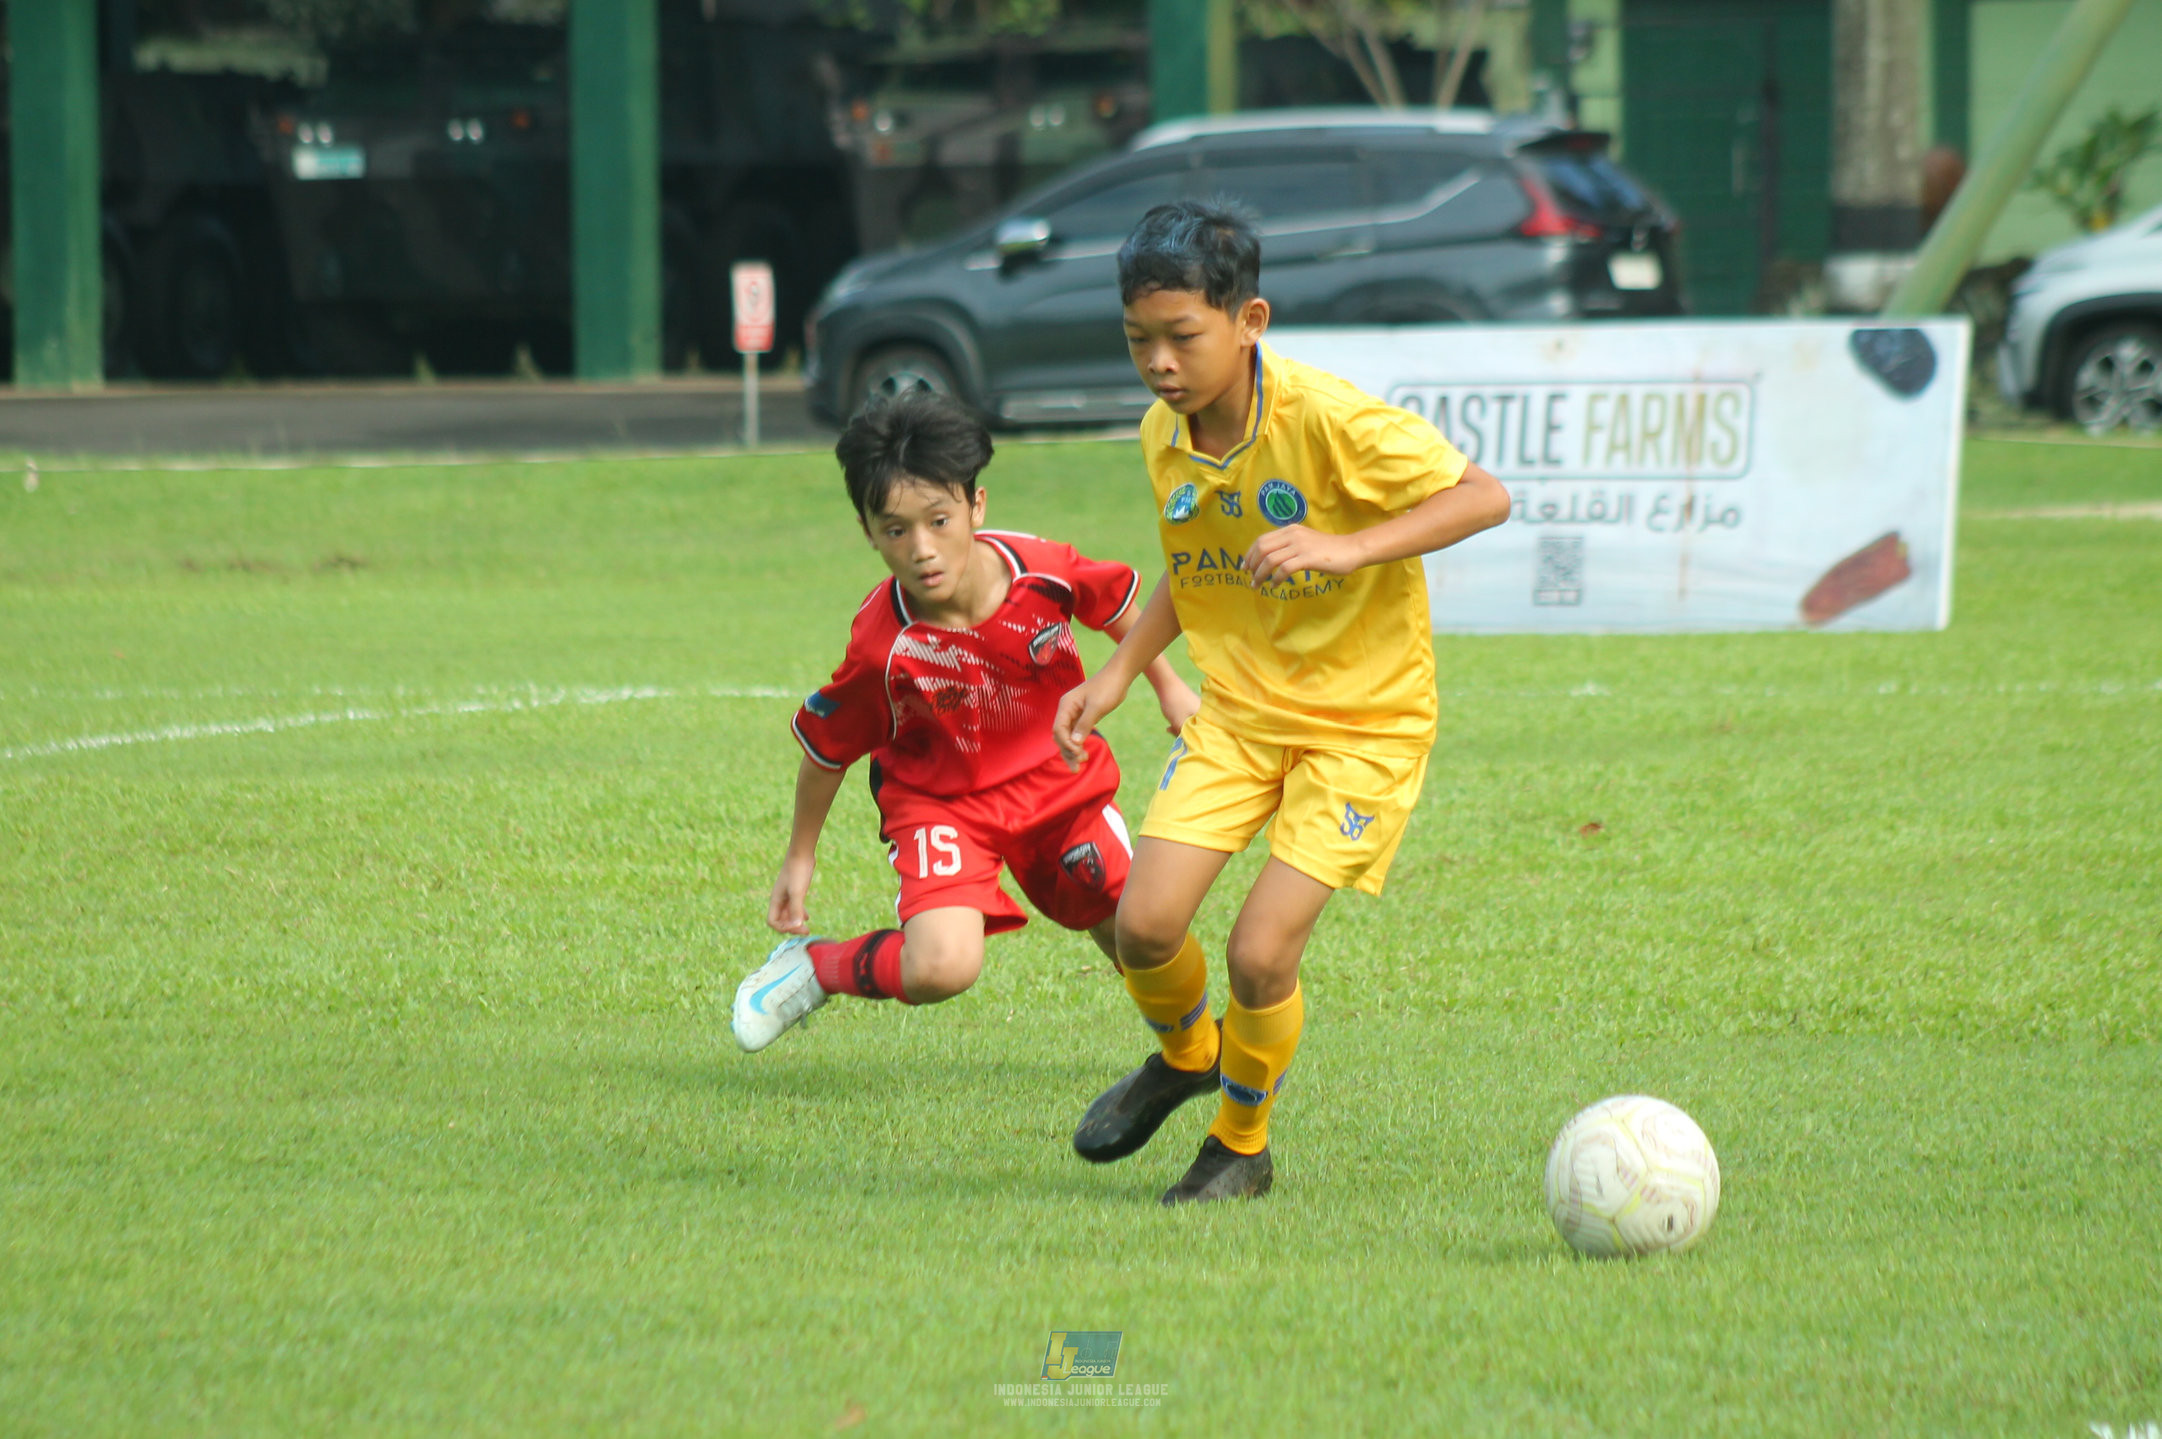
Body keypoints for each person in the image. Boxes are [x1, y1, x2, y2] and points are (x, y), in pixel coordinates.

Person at [1053, 199, 1512, 1204]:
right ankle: (1182, 1057)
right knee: (1141, 926)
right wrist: (1123, 669)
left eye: (1181, 336)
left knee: (1260, 951)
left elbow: (1483, 495)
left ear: (1248, 320)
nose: (1159, 363)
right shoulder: (1161, 435)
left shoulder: (1329, 419)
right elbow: (1195, 561)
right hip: (1242, 712)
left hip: (1364, 725)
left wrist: (1345, 543)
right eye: (1139, 340)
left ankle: (1239, 1142)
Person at [732, 389, 1199, 1053]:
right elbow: (827, 750)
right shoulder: (880, 644)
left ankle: (1193, 1052)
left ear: (977, 506)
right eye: (896, 530)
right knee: (942, 967)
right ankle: (814, 968)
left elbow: (1120, 603)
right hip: (940, 802)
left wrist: (1170, 689)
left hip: (1056, 778)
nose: (922, 548)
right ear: (868, 532)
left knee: (1131, 920)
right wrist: (799, 856)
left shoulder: (1040, 570)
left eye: (939, 520)